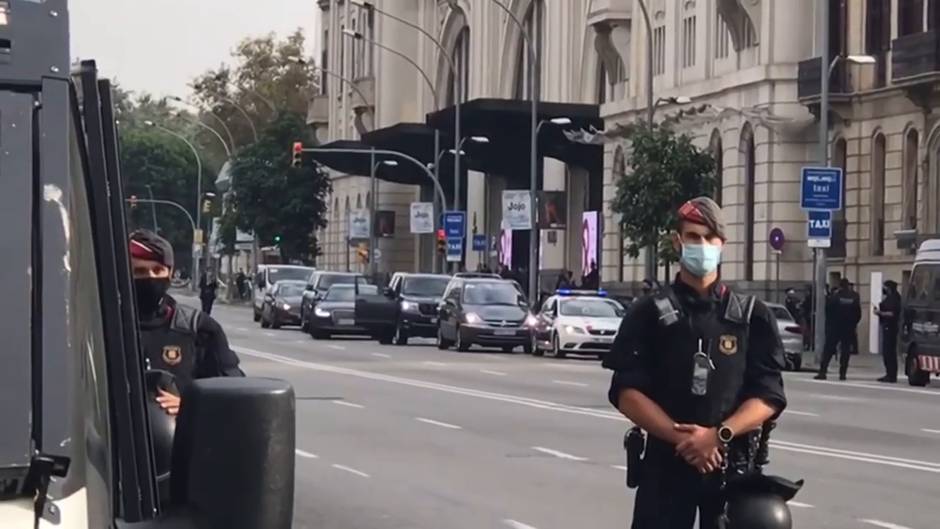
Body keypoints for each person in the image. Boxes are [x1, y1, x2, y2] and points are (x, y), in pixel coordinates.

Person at [603, 197, 786, 529]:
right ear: (677, 241)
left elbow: (769, 395)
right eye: (692, 237)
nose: (701, 245)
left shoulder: (750, 317)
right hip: (666, 467)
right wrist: (684, 439)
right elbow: (626, 392)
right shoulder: (648, 313)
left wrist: (718, 435)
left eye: (709, 238)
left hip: (733, 469)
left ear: (722, 244)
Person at [129, 230, 244, 416]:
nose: (150, 278)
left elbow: (233, 394)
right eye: (139, 271)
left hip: (181, 440)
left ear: (170, 273)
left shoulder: (199, 329)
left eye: (157, 270)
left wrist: (188, 406)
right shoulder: (101, 328)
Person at [815, 278, 862, 381]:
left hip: (835, 327)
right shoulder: (854, 296)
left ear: (840, 285)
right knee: (845, 351)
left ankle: (823, 372)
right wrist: (852, 324)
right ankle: (842, 374)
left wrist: (829, 324)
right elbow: (858, 313)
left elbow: (828, 310)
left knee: (828, 350)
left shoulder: (835, 296)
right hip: (848, 328)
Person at [874, 280, 902, 383]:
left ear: (888, 288)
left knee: (888, 352)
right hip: (889, 327)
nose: (883, 289)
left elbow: (892, 314)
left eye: (884, 287)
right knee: (889, 352)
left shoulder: (893, 299)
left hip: (890, 327)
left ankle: (891, 375)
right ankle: (890, 374)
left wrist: (879, 313)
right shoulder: (895, 297)